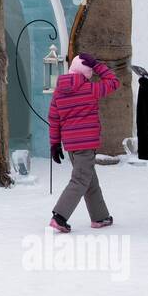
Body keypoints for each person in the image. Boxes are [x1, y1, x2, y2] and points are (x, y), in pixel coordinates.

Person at [47, 53, 121, 232]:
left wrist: (55, 144)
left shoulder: (59, 91)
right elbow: (113, 82)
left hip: (71, 145)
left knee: (89, 179)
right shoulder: (90, 89)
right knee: (81, 179)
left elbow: (53, 118)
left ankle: (100, 217)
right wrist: (97, 65)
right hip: (86, 144)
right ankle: (59, 216)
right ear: (87, 72)